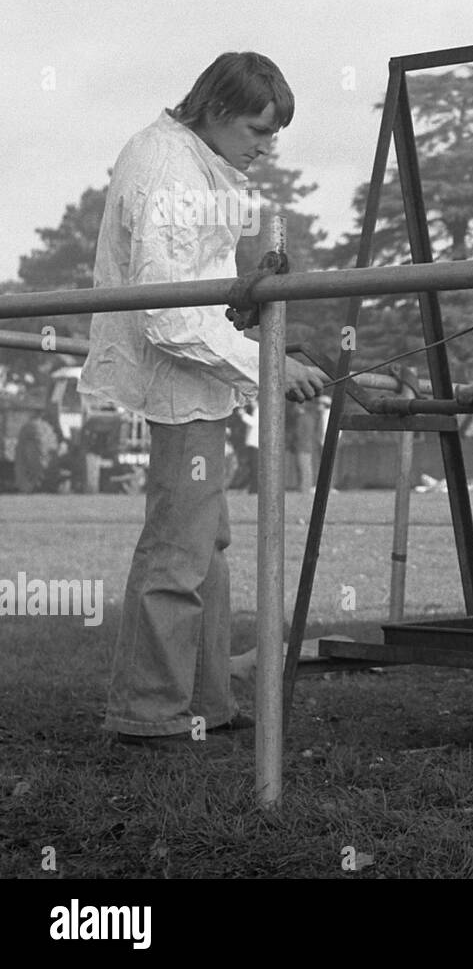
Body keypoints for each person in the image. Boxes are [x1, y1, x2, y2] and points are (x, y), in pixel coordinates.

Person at [79, 53, 329, 752]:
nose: (265, 145)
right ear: (217, 109)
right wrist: (268, 365)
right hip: (175, 387)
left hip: (199, 386)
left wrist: (250, 300)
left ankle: (203, 704)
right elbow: (165, 314)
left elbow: (196, 290)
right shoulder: (168, 168)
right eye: (257, 128)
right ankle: (148, 714)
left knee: (205, 547)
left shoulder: (195, 160)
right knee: (178, 550)